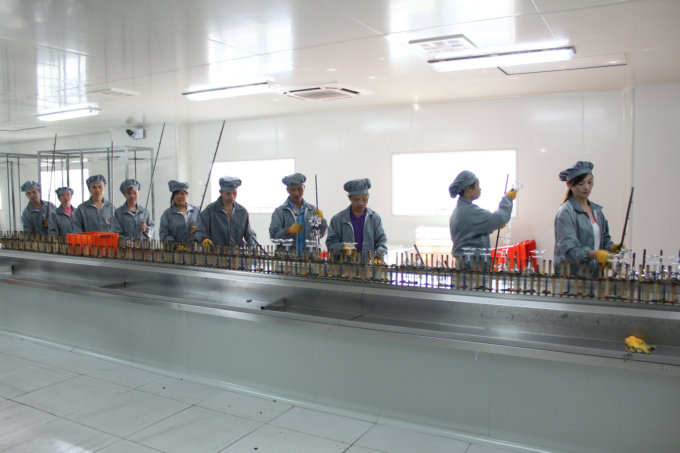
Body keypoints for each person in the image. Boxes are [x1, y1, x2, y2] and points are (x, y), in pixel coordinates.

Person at [554, 161, 621, 276]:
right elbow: (569, 250)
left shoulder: (596, 211)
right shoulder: (566, 213)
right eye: (581, 184)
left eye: (590, 182)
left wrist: (611, 247)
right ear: (569, 185)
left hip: (595, 274)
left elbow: (604, 237)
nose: (586, 187)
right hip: (572, 277)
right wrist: (594, 254)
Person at [449, 170, 516, 263]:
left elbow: (473, 231)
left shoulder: (459, 209)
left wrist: (492, 225)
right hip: (472, 265)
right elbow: (500, 218)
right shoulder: (469, 211)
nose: (480, 189)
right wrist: (508, 198)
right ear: (468, 188)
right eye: (478, 185)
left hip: (464, 263)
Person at [326, 178, 387, 261]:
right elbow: (330, 244)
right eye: (356, 200)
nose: (361, 203)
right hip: (345, 266)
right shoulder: (338, 219)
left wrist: (378, 257)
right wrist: (343, 247)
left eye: (364, 199)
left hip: (368, 265)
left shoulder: (374, 218)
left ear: (368, 197)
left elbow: (381, 242)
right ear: (349, 198)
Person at [269, 172, 327, 255]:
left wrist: (322, 221)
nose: (296, 193)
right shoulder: (280, 211)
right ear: (287, 190)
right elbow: (273, 236)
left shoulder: (312, 210)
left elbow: (320, 234)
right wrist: (288, 231)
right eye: (293, 190)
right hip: (287, 258)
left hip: (309, 257)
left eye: (299, 189)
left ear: (304, 188)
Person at [194, 176, 256, 250]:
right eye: (228, 193)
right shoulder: (210, 210)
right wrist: (203, 239)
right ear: (221, 192)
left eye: (234, 193)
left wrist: (253, 244)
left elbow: (249, 234)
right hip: (215, 253)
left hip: (236, 253)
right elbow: (199, 230)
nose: (232, 197)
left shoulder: (242, 212)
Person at [159, 180, 200, 244]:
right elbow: (163, 234)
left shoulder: (196, 211)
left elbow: (204, 228)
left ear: (186, 195)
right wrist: (175, 245)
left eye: (182, 194)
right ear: (173, 197)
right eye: (176, 194)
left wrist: (198, 231)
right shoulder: (167, 214)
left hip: (195, 248)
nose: (179, 196)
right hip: (175, 249)